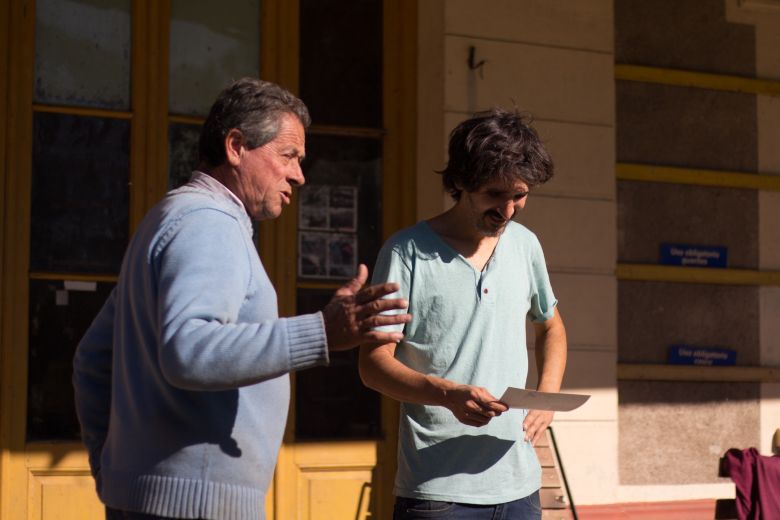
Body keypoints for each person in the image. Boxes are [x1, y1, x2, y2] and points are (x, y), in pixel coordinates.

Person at [72, 78, 411, 520]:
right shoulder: (208, 223)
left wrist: (115, 474)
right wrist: (322, 331)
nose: (299, 175)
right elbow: (189, 351)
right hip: (195, 506)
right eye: (288, 156)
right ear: (236, 146)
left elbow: (91, 360)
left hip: (161, 501)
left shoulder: (173, 217)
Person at [359, 108, 568, 519]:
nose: (508, 210)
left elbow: (552, 327)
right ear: (459, 182)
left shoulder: (526, 245)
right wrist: (446, 394)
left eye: (519, 195)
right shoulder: (406, 252)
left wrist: (548, 399)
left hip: (520, 489)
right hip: (438, 494)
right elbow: (372, 365)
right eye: (494, 195)